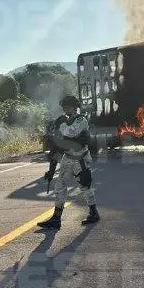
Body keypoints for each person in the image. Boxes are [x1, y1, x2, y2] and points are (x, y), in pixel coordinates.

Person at [37, 95, 100, 229]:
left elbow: (70, 132)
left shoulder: (81, 120)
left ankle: (94, 213)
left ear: (75, 107)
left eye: (68, 107)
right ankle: (56, 218)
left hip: (80, 159)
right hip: (67, 157)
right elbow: (58, 140)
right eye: (64, 107)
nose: (66, 109)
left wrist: (61, 124)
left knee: (85, 186)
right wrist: (51, 169)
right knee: (60, 186)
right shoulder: (63, 121)